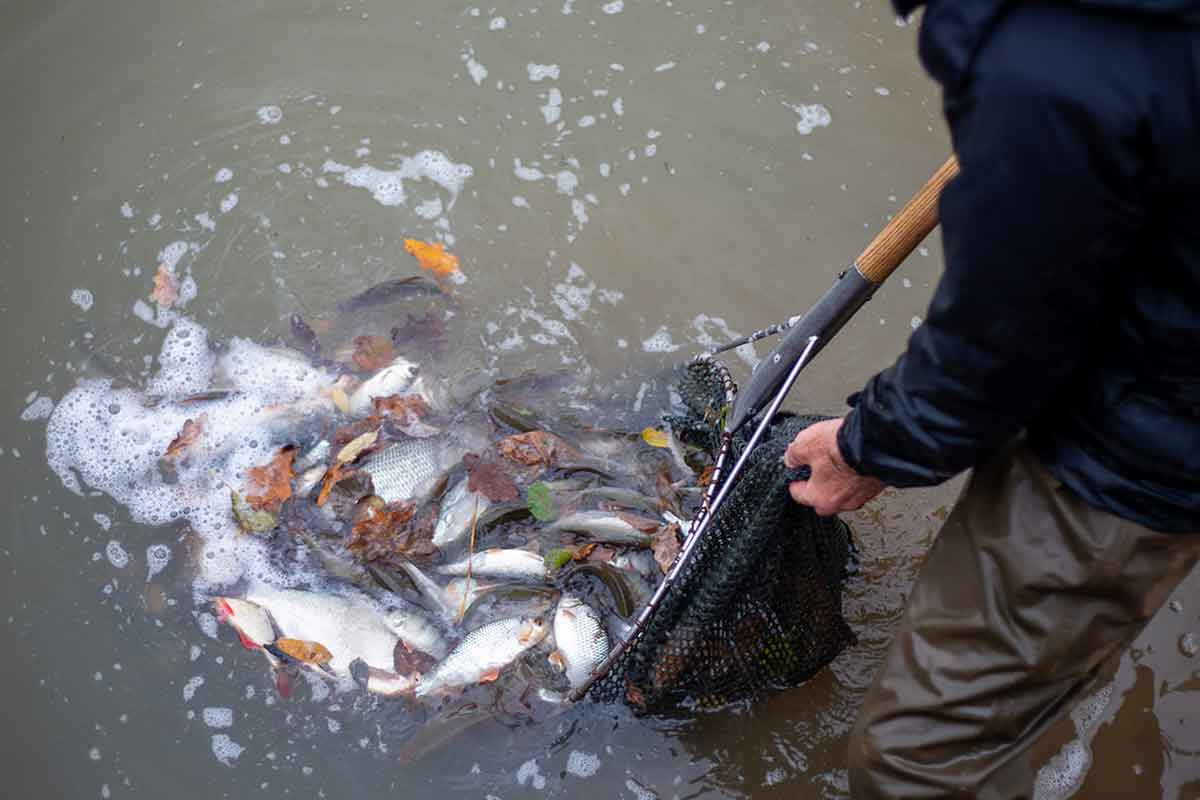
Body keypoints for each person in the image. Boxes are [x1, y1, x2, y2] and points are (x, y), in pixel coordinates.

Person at [782, 1, 1200, 796]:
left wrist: (866, 448)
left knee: (916, 760)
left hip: (1142, 449)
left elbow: (1001, 335)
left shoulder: (1054, 63)